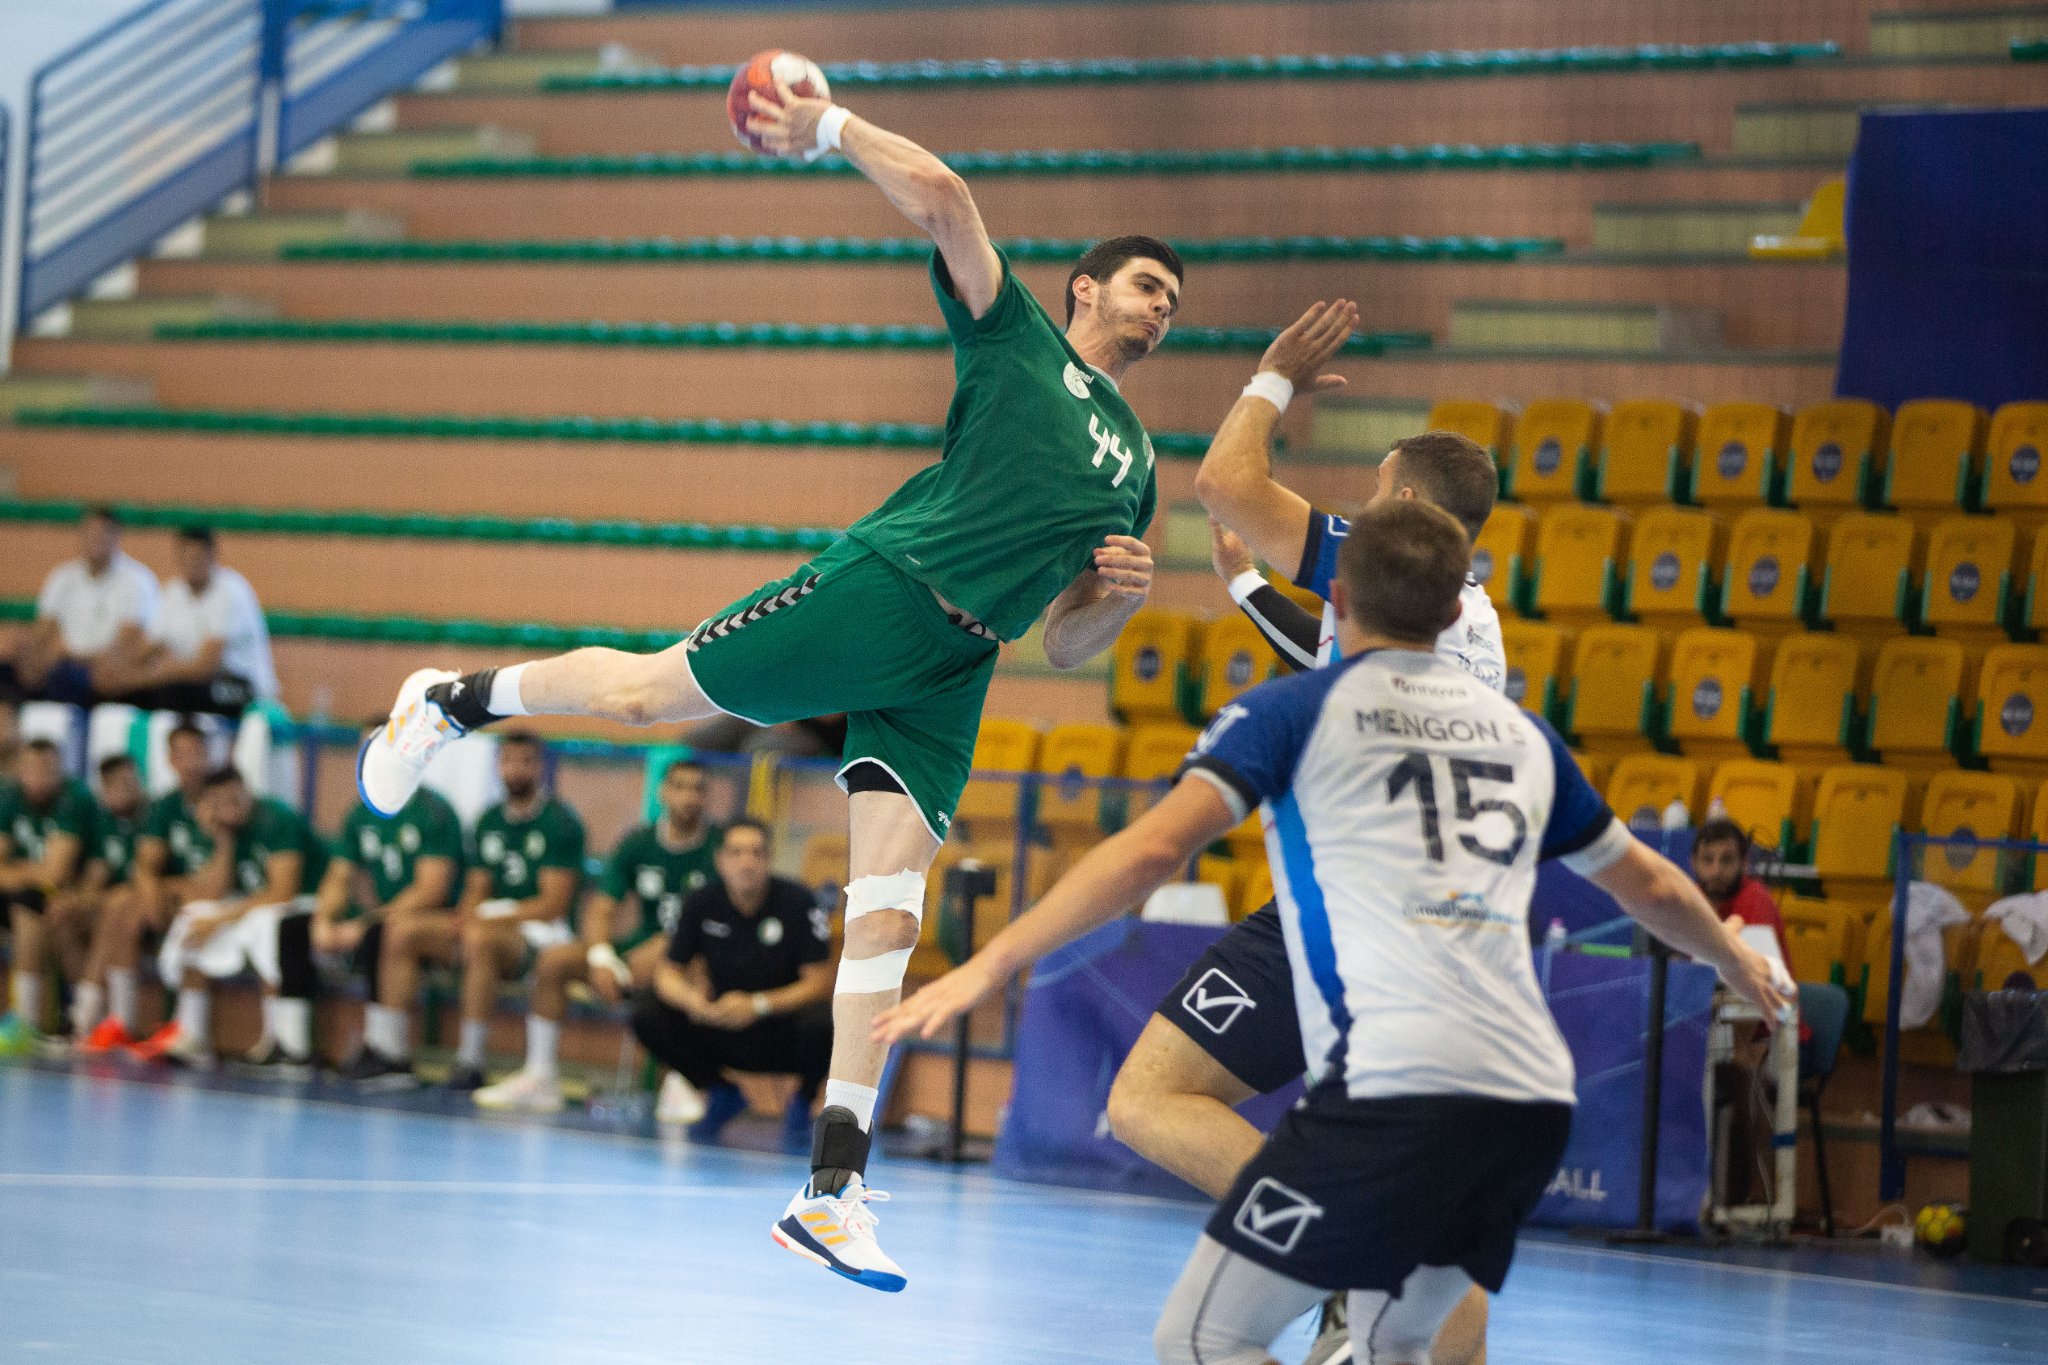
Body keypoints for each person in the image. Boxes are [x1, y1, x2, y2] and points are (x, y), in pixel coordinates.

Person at [354, 76, 1194, 1291]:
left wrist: (1111, 598)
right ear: (1086, 287)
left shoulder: (1139, 465)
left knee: (887, 917)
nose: (1161, 311)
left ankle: (833, 1189)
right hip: (885, 586)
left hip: (958, 663)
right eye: (1145, 287)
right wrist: (830, 128)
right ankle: (448, 700)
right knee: (651, 697)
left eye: (1173, 302)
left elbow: (1065, 648)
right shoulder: (1015, 340)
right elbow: (946, 200)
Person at [876, 500, 1789, 1365]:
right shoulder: (1524, 737)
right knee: (1404, 1345)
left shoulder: (1295, 712)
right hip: (1531, 1099)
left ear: (1336, 602)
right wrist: (1734, 955)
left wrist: (991, 961)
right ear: (1450, 615)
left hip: (1394, 1088)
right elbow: (1656, 884)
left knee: (1200, 1340)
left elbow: (1152, 848)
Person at [1114, 305, 1508, 1364]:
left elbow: (1224, 481)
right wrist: (1246, 584)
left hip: (1359, 910)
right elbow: (1329, 652)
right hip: (1415, 925)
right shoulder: (1454, 619)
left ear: (1411, 508)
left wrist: (1271, 377)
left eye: (1379, 490)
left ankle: (1342, 1251)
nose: (1366, 504)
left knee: (1152, 1097)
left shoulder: (1419, 588)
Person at [477, 756, 722, 1114]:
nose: (689, 797)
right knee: (554, 960)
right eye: (680, 787)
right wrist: (602, 957)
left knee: (688, 965)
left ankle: (682, 1081)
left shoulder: (720, 848)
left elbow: (724, 921)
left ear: (706, 798)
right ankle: (540, 1077)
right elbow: (602, 906)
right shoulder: (638, 841)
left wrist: (671, 948)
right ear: (663, 792)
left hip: (696, 953)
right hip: (639, 947)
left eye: (698, 789)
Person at [348, 732, 583, 1091]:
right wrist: (466, 913)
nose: (516, 770)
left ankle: (470, 1062)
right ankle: (391, 1054)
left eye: (526, 762)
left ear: (541, 767)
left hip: (540, 934)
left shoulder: (560, 821)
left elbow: (552, 905)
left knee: (478, 939)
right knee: (402, 929)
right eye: (508, 761)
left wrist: (486, 917)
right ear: (497, 766)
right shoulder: (488, 819)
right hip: (488, 923)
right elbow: (476, 887)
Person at [632, 818, 834, 1148]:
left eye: (756, 853)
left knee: (826, 1022)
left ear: (769, 859)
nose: (747, 862)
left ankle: (802, 1102)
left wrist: (758, 1005)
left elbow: (819, 983)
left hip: (779, 1028)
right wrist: (693, 1002)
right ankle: (720, 1091)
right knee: (647, 1011)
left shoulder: (798, 902)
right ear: (721, 860)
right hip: (721, 1023)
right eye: (737, 852)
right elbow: (667, 973)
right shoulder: (700, 902)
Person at [139, 767, 328, 1072]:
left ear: (246, 791)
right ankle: (191, 1033)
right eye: (219, 802)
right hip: (254, 906)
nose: (229, 807)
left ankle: (281, 1039)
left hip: (306, 904)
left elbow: (282, 892)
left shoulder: (277, 819)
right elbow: (213, 892)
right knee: (195, 916)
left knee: (268, 924)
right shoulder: (225, 829)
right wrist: (222, 840)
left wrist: (222, 919)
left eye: (234, 798)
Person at [308, 727, 465, 1071]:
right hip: (382, 915)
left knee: (383, 933)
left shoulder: (434, 811)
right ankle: (293, 1045)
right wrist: (323, 919)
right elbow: (339, 876)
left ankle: (388, 1049)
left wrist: (365, 924)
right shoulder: (359, 813)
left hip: (432, 920)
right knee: (297, 927)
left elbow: (430, 892)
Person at [96, 720, 215, 1054]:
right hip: (175, 896)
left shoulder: (221, 796)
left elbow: (217, 881)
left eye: (197, 751)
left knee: (198, 912)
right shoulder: (165, 805)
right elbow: (146, 865)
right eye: (182, 753)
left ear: (209, 755)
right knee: (124, 905)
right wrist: (150, 899)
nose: (190, 761)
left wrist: (167, 890)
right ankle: (120, 1021)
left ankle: (191, 1032)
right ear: (170, 759)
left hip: (213, 898)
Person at [93, 526, 277, 717]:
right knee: (116, 695)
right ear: (178, 557)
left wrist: (137, 678)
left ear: (212, 555)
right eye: (186, 556)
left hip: (242, 687)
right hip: (188, 682)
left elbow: (205, 667)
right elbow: (151, 646)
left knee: (176, 693)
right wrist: (117, 671)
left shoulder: (231, 591)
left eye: (198, 557)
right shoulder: (174, 592)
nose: (192, 563)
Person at [0, 506, 160, 705]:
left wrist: (76, 659)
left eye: (102, 534)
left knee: (69, 677)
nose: (95, 540)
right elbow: (43, 630)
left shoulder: (138, 580)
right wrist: (27, 652)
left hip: (106, 666)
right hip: (66, 664)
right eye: (89, 533)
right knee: (9, 669)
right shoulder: (63, 577)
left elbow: (128, 641)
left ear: (116, 535)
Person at [0, 738, 96, 1053]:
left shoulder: (75, 798)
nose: (39, 779)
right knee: (25, 901)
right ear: (20, 770)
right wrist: (31, 869)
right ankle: (29, 1021)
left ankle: (37, 1022)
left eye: (47, 771)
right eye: (31, 771)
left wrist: (17, 869)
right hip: (20, 891)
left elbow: (55, 873)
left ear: (59, 771)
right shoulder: (8, 797)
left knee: (37, 910)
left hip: (71, 895)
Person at [57, 754, 149, 1045]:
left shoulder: (153, 816)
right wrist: (77, 900)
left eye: (130, 782)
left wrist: (102, 899)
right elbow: (97, 875)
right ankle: (91, 1015)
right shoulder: (104, 822)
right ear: (104, 789)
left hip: (149, 908)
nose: (126, 789)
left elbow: (147, 876)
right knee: (62, 915)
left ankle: (87, 1020)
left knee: (116, 907)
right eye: (116, 785)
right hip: (113, 907)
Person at [1691, 817, 1790, 962]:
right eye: (1707, 860)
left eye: (1727, 860)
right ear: (1694, 863)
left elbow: (1756, 975)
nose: (1716, 871)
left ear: (1744, 864)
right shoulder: (1691, 896)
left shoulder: (1758, 900)